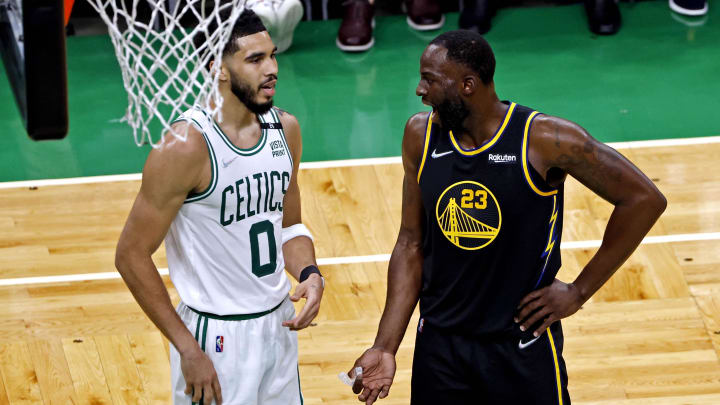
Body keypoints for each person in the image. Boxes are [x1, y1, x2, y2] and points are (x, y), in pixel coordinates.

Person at [348, 30, 666, 404]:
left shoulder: (544, 139)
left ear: (468, 84)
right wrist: (385, 346)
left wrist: (579, 291)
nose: (420, 90)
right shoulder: (420, 135)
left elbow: (643, 199)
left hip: (520, 345)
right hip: (441, 347)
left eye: (430, 80)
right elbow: (410, 242)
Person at [114, 9, 324, 405]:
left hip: (278, 325)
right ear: (218, 69)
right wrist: (188, 349)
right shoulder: (185, 147)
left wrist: (310, 272)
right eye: (255, 59)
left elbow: (289, 226)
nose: (272, 69)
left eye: (273, 55)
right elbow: (130, 255)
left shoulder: (286, 129)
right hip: (215, 337)